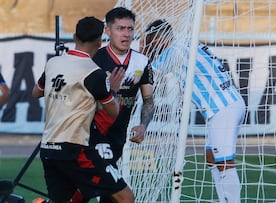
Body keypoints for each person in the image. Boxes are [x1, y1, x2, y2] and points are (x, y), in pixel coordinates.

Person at [140, 19, 246, 203]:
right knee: (212, 157)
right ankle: (225, 199)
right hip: (227, 105)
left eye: (152, 41)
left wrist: (142, 52)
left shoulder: (175, 50)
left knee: (224, 162)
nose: (152, 46)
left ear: (160, 38)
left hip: (222, 108)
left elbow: (149, 70)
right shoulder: (188, 42)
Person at [32, 16, 134, 203]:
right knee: (125, 197)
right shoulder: (94, 73)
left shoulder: (53, 63)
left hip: (48, 148)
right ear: (99, 41)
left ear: (74, 36)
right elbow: (113, 112)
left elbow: (36, 93)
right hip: (75, 149)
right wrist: (110, 90)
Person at [69, 7, 155, 203]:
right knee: (114, 192)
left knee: (102, 191)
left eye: (130, 29)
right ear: (108, 31)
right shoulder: (94, 59)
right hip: (92, 135)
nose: (126, 34)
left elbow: (148, 99)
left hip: (117, 137)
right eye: (120, 28)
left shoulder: (141, 62)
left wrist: (143, 125)